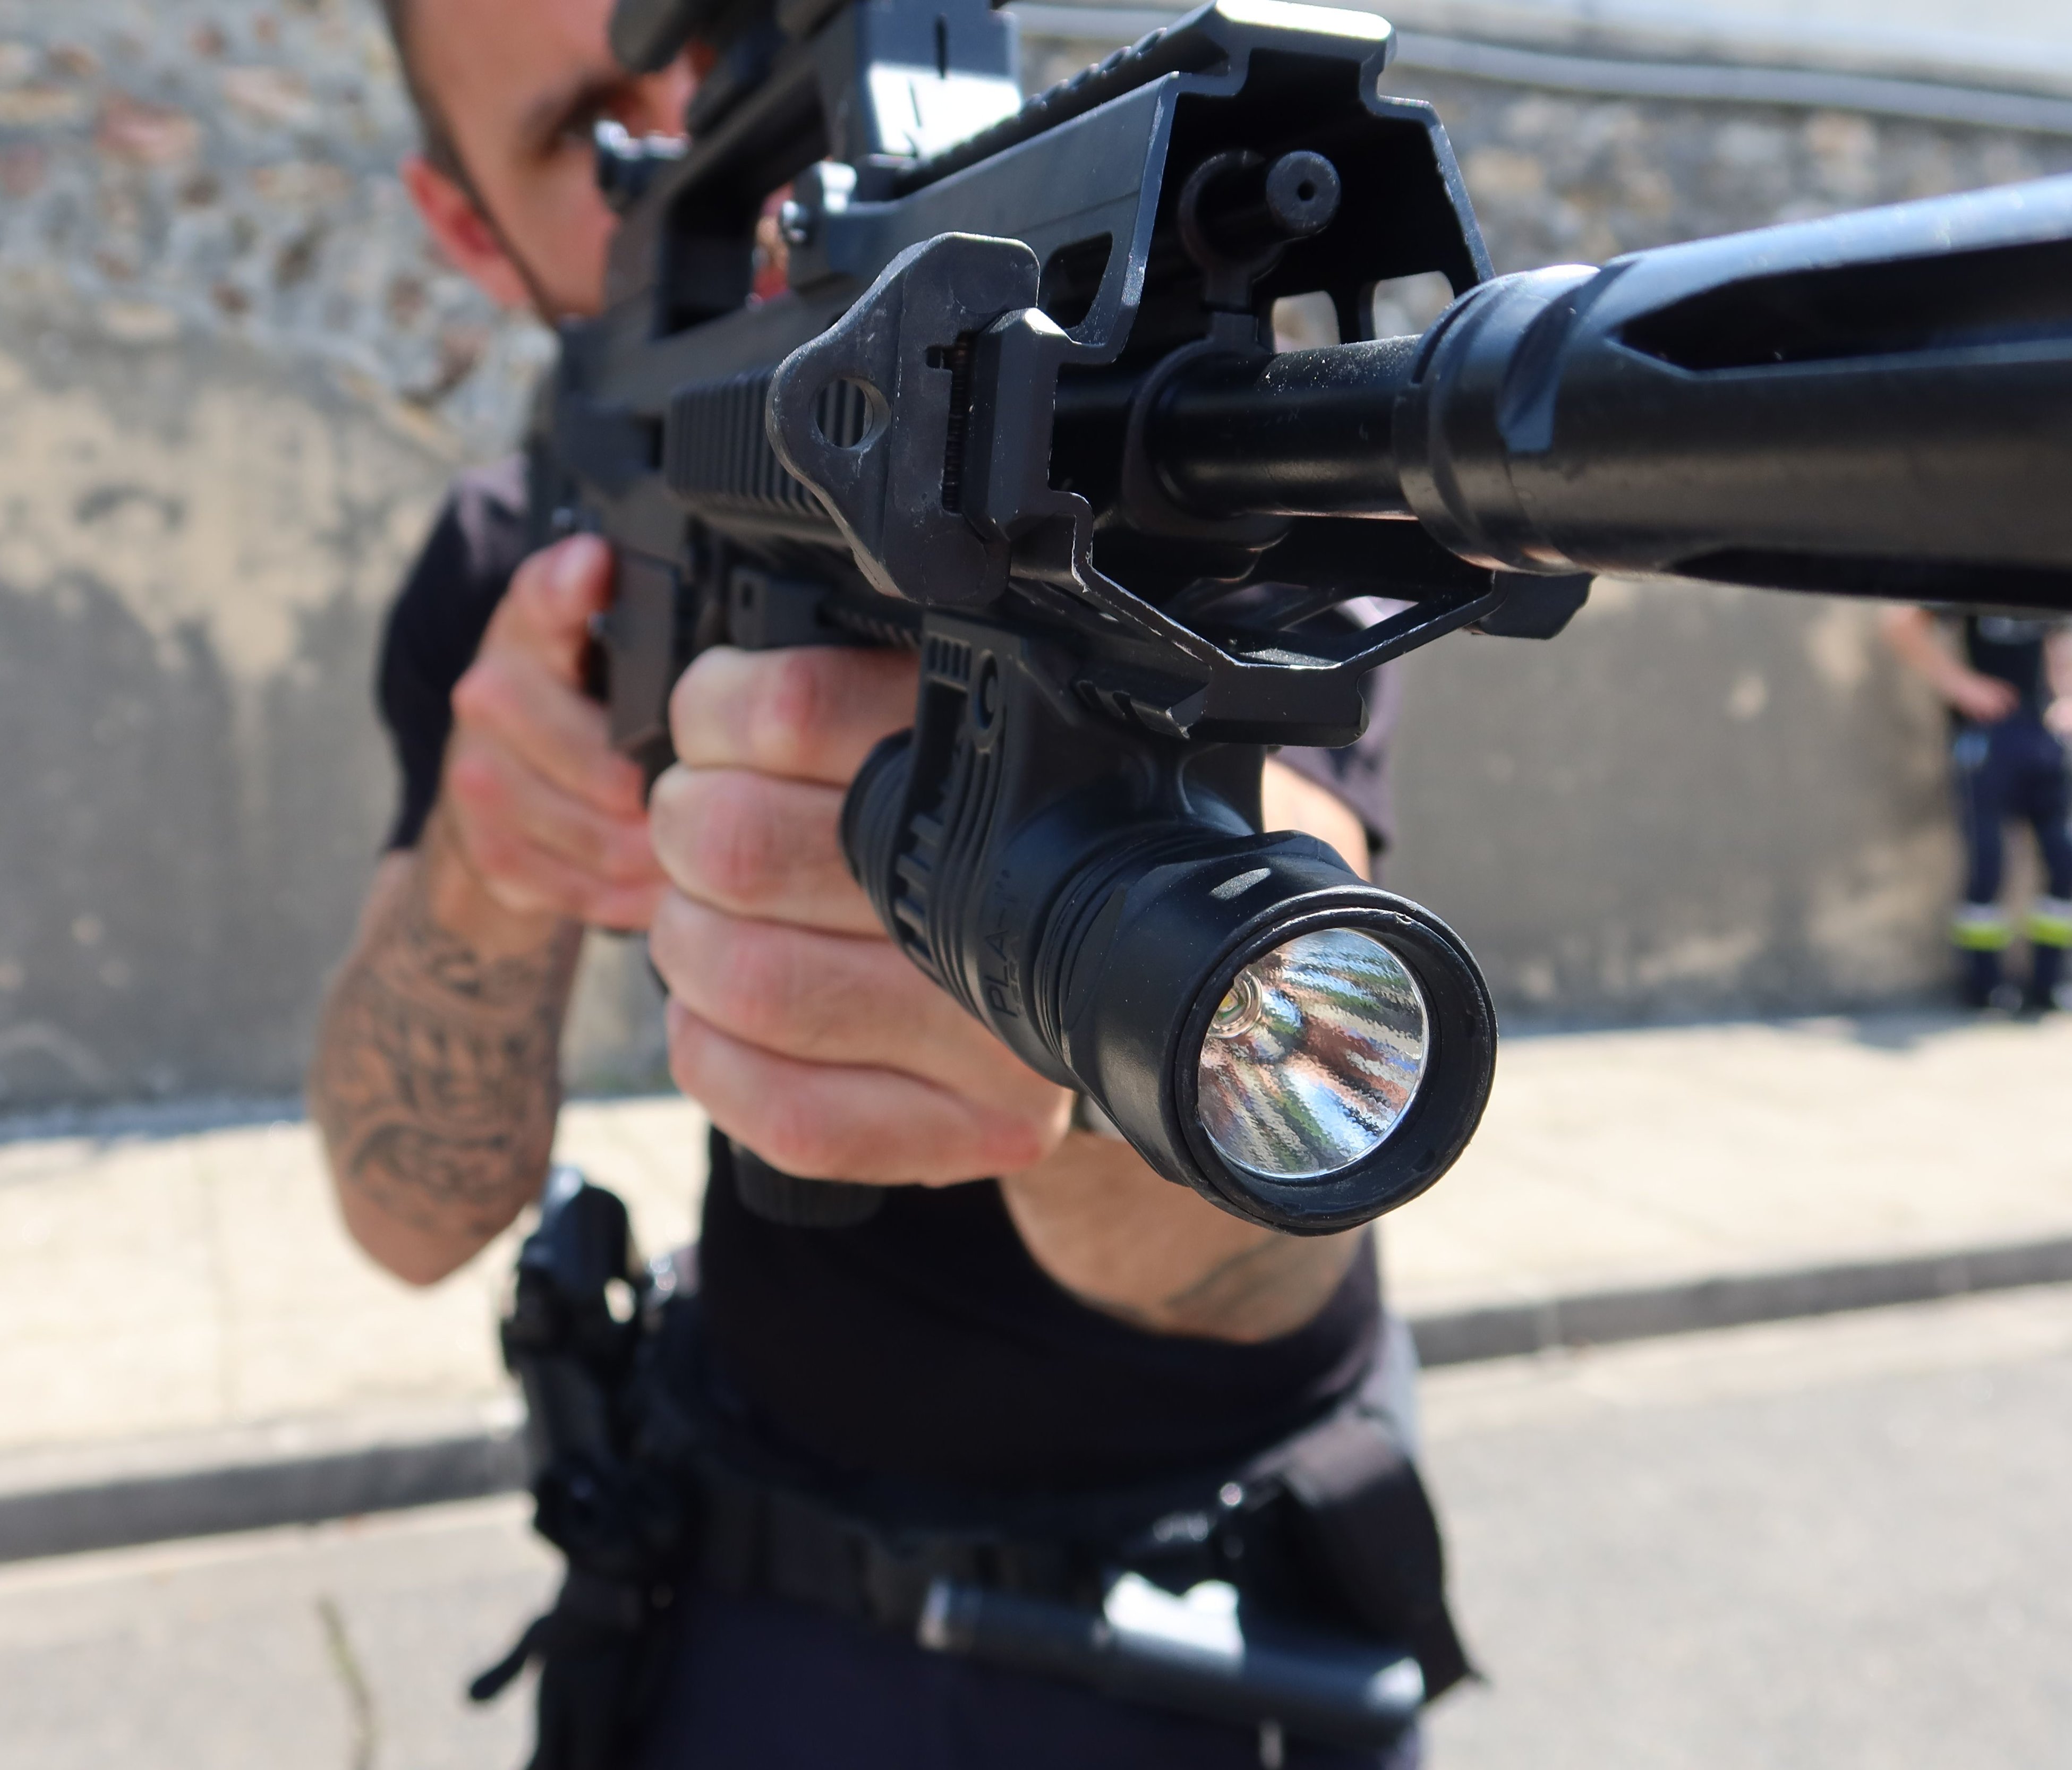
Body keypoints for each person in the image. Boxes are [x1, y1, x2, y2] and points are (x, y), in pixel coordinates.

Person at [308, 0, 1451, 1762]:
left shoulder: (1173, 470)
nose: (708, 145)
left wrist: (1069, 999)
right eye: (595, 138)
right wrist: (491, 849)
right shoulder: (507, 559)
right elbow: (409, 1211)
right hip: (735, 1591)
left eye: (715, 76)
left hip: (1203, 1608)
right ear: (466, 224)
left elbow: (1303, 1161)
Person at [1882, 606, 2072, 1013]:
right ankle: (1985, 988)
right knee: (1988, 865)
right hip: (1989, 737)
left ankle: (2050, 985)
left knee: (2068, 861)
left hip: (2043, 737)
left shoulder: (2045, 583)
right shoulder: (1976, 578)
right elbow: (1899, 623)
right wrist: (1962, 686)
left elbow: (2061, 647)